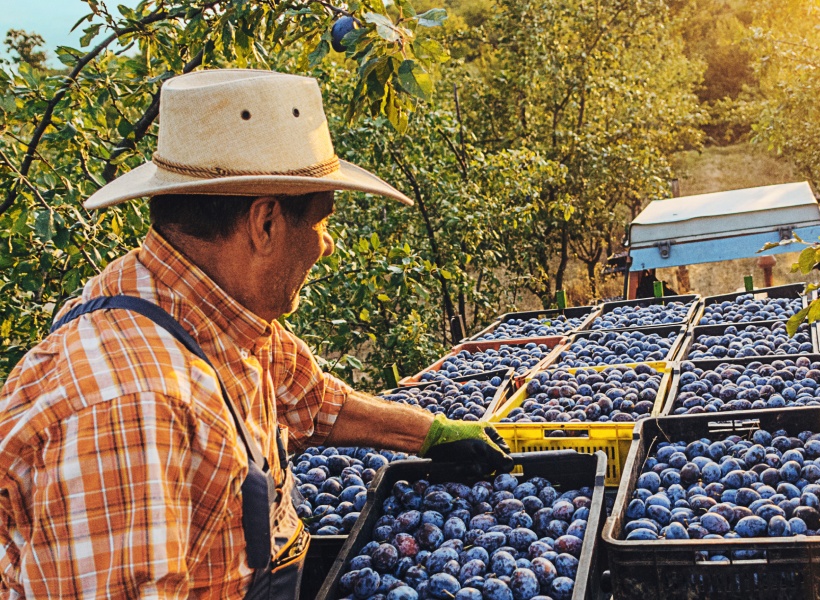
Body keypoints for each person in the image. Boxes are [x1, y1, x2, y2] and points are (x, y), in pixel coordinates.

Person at [0, 69, 511, 599]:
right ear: (265, 224)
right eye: (321, 222)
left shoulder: (199, 305)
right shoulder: (133, 407)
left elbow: (313, 401)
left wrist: (429, 433)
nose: (326, 245)